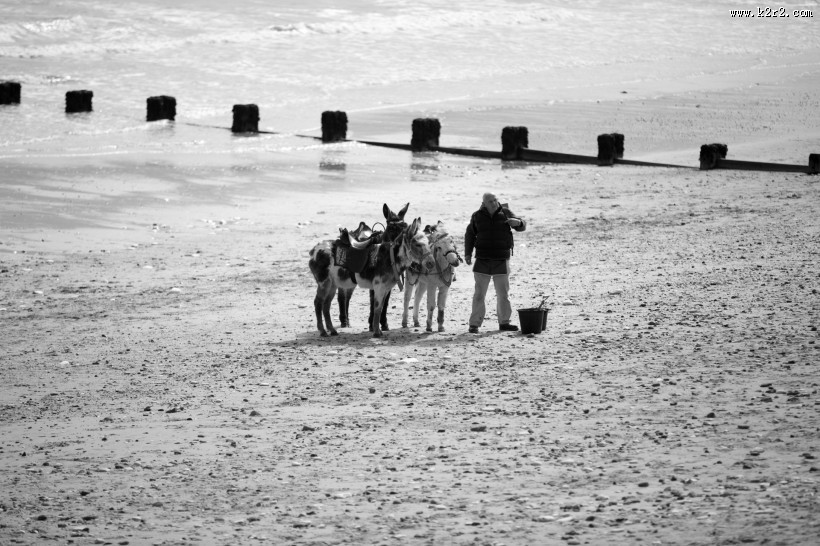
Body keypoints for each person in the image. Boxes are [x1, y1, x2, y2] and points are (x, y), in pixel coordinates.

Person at [464, 192, 527, 333]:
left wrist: (519, 223)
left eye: (495, 200)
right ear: (484, 204)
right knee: (479, 294)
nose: (494, 203)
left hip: (501, 259)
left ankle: (504, 323)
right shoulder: (477, 216)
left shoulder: (505, 212)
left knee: (503, 294)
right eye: (490, 201)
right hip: (482, 260)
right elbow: (469, 234)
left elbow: (522, 226)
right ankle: (474, 324)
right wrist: (468, 253)